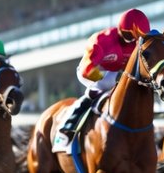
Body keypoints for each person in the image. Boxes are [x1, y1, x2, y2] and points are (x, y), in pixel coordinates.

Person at [59, 8, 151, 138]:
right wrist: (108, 85)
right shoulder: (102, 40)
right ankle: (71, 122)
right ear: (121, 30)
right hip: (92, 70)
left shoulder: (138, 44)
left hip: (115, 72)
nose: (134, 41)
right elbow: (87, 69)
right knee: (108, 83)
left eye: (139, 37)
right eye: (130, 36)